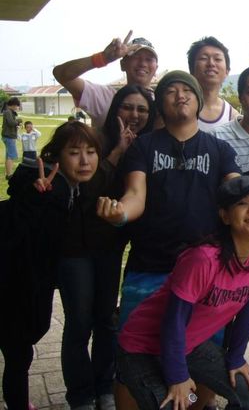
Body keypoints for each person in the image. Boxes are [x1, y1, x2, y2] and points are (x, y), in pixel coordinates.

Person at [117, 176, 249, 410]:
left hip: (188, 345)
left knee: (248, 391)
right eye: (243, 203)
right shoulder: (203, 259)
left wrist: (236, 358)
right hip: (142, 348)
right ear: (225, 215)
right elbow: (173, 321)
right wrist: (177, 377)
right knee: (176, 404)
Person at [56, 85, 155, 410]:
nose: (134, 115)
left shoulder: (150, 146)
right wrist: (115, 153)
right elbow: (85, 191)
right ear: (115, 110)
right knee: (79, 322)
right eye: (128, 107)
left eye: (142, 109)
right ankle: (81, 395)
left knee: (106, 320)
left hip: (110, 248)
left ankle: (105, 387)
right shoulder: (95, 140)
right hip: (75, 251)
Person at [0, 121, 101, 410]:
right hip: (15, 285)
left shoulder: (66, 187)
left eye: (91, 151)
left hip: (26, 282)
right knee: (19, 351)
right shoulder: (50, 190)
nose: (85, 161)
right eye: (74, 153)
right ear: (56, 157)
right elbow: (23, 219)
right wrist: (35, 196)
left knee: (20, 351)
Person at [53, 31, 158, 128]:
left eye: (149, 59)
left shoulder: (162, 102)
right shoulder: (104, 97)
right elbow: (61, 74)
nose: (143, 63)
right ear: (122, 64)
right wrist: (103, 58)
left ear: (156, 68)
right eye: (136, 57)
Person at [187, 36, 239, 132]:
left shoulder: (232, 117)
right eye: (203, 58)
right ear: (191, 69)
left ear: (227, 71)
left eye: (217, 59)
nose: (211, 63)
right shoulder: (180, 108)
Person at [2, 96, 22, 179]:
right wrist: (18, 121)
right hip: (9, 137)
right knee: (11, 156)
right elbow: (11, 123)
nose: (17, 107)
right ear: (13, 105)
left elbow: (11, 123)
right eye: (17, 105)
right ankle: (9, 175)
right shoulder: (8, 112)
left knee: (8, 156)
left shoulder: (10, 112)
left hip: (9, 136)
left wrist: (17, 124)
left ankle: (8, 174)